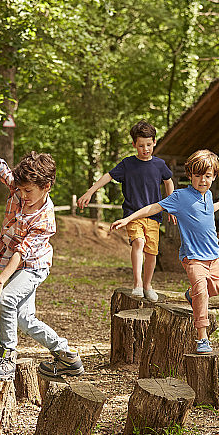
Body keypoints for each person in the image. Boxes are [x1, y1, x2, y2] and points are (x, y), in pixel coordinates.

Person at [0, 129, 84, 381]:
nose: (22, 196)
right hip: (18, 263)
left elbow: (22, 253)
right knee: (23, 319)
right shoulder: (20, 187)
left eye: (28, 192)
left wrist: (0, 281)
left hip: (33, 265)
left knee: (6, 299)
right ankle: (67, 356)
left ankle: (7, 356)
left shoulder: (45, 218)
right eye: (20, 190)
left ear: (46, 187)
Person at [110, 149, 219, 354]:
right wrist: (128, 219)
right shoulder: (180, 196)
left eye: (208, 176)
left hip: (214, 256)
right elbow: (152, 208)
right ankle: (202, 337)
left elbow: (208, 211)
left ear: (214, 176)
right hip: (193, 258)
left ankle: (191, 295)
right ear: (189, 175)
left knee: (215, 289)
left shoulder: (208, 195)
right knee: (202, 291)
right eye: (198, 176)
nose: (202, 180)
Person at [77, 120, 174, 302]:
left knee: (152, 252)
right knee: (138, 242)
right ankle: (137, 283)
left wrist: (171, 206)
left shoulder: (160, 164)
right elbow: (108, 176)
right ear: (134, 145)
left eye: (148, 144)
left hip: (153, 216)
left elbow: (168, 181)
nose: (145, 149)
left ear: (154, 142)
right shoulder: (128, 164)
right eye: (141, 145)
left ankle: (147, 285)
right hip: (132, 215)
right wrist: (90, 191)